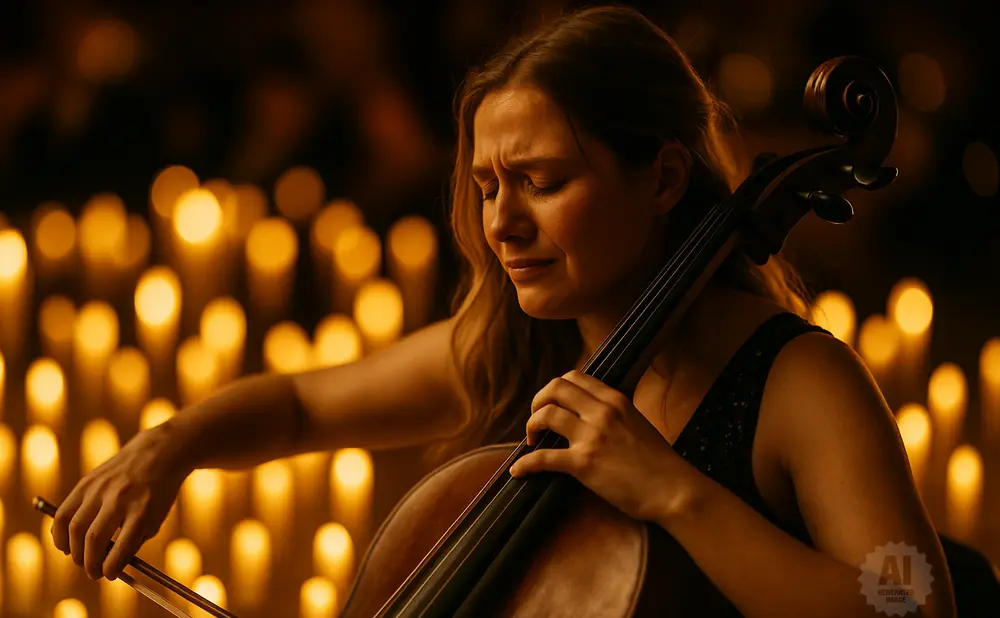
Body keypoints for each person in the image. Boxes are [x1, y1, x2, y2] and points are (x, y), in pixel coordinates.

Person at [51, 5, 957, 617]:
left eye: (542, 182)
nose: (502, 223)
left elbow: (910, 600)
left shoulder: (796, 380)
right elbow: (301, 405)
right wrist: (166, 449)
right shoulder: (522, 344)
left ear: (665, 178)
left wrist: (675, 493)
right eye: (487, 186)